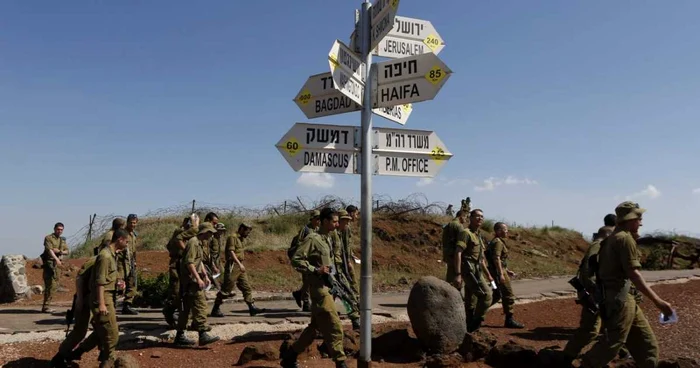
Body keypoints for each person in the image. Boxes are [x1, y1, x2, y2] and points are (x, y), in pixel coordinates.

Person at [580, 202, 674, 368]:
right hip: (620, 300)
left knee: (647, 347)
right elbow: (634, 274)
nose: (641, 223)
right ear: (630, 219)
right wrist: (658, 302)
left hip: (620, 298)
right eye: (639, 218)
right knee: (612, 344)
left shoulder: (613, 238)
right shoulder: (624, 239)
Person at [280, 208, 347, 368]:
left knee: (314, 328)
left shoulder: (327, 239)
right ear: (325, 221)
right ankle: (341, 362)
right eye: (335, 221)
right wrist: (315, 270)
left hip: (327, 287)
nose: (337, 224)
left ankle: (290, 356)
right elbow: (296, 259)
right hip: (319, 290)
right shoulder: (313, 238)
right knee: (335, 326)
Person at [563, 222, 634, 361]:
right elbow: (587, 271)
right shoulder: (598, 246)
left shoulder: (601, 246)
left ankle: (624, 352)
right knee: (590, 330)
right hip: (595, 295)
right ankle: (567, 356)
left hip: (597, 294)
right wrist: (595, 291)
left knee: (611, 325)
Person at [173, 222, 220, 346]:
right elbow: (189, 263)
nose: (211, 235)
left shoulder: (198, 243)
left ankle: (180, 336)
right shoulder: (193, 243)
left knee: (186, 309)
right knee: (200, 305)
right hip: (191, 282)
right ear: (204, 232)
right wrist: (198, 278)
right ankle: (202, 334)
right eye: (210, 233)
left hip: (191, 280)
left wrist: (204, 275)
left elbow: (199, 262)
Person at [49, 256, 99, 368]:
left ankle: (78, 352)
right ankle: (60, 357)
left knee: (103, 330)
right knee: (80, 331)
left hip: (100, 301)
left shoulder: (118, 259)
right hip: (86, 298)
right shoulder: (97, 259)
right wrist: (80, 299)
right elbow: (80, 277)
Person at [91, 229, 129, 368]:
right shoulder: (105, 256)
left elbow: (108, 277)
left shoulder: (112, 255)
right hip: (103, 298)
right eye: (126, 241)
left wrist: (119, 282)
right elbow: (99, 282)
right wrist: (101, 304)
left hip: (109, 297)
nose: (127, 244)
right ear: (119, 239)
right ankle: (108, 361)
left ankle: (74, 353)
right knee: (112, 335)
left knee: (103, 333)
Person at [211, 222, 265, 317]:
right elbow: (231, 252)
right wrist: (239, 264)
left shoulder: (240, 239)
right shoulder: (233, 237)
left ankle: (252, 307)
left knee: (246, 287)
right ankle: (215, 309)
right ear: (242, 229)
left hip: (239, 266)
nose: (247, 234)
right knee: (226, 290)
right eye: (246, 232)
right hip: (233, 266)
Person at [455, 209, 494, 332]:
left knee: (470, 301)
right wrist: (458, 274)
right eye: (477, 216)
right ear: (470, 218)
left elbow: (481, 259)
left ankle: (468, 326)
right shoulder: (466, 233)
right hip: (469, 270)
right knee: (486, 295)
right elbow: (458, 253)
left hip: (477, 270)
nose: (480, 218)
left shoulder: (478, 235)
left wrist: (489, 275)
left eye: (482, 216)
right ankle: (476, 323)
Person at [162, 215, 199, 327]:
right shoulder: (180, 231)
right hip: (177, 264)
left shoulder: (190, 234)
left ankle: (190, 321)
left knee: (189, 292)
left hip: (186, 264)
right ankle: (169, 310)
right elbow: (173, 244)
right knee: (176, 292)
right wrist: (184, 251)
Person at [486, 222, 524, 328]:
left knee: (496, 294)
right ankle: (509, 320)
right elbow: (496, 258)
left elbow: (499, 260)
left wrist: (506, 270)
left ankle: (477, 312)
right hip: (498, 273)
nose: (507, 231)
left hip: (495, 272)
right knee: (508, 294)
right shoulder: (498, 242)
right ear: (498, 231)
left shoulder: (495, 241)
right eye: (505, 229)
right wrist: (501, 273)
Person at [332, 209, 360, 330]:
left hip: (336, 268)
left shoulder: (339, 233)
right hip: (330, 269)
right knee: (336, 294)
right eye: (345, 221)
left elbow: (343, 250)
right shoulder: (330, 234)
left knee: (345, 293)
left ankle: (354, 318)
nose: (347, 224)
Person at [291, 210, 321, 312]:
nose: (318, 221)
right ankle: (306, 303)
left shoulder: (318, 229)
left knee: (310, 280)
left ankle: (299, 294)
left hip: (314, 258)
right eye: (316, 218)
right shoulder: (306, 229)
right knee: (307, 279)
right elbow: (299, 244)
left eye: (319, 219)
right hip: (306, 259)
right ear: (312, 219)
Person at [42, 222, 69, 313]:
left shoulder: (62, 240)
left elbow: (67, 251)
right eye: (58, 229)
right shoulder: (48, 238)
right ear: (54, 229)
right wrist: (56, 258)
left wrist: (60, 251)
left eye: (61, 230)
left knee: (54, 285)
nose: (59, 231)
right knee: (50, 284)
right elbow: (49, 250)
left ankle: (47, 305)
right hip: (50, 263)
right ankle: (46, 306)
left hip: (57, 264)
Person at [442, 210, 468, 292]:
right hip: (455, 254)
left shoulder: (448, 225)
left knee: (450, 274)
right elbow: (462, 241)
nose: (466, 220)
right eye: (466, 217)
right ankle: (453, 295)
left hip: (448, 253)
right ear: (461, 216)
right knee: (457, 275)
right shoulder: (459, 226)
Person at [119, 214, 139, 315]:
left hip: (130, 261)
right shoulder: (123, 233)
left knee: (132, 282)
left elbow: (134, 250)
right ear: (127, 222)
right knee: (119, 283)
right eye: (131, 222)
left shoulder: (133, 235)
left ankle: (127, 304)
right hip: (121, 261)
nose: (133, 224)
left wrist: (135, 261)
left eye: (134, 223)